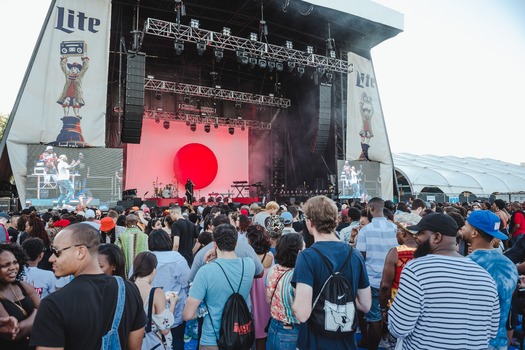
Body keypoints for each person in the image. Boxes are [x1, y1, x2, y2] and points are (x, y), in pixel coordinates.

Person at [388, 213, 500, 349]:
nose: (416, 237)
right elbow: (492, 331)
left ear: (436, 237)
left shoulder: (416, 269)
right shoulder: (485, 276)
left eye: (421, 233)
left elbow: (399, 328)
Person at [29, 223, 147, 349]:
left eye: (57, 252)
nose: (51, 258)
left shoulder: (53, 304)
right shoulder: (128, 290)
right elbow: (135, 346)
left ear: (81, 252)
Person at [291, 195, 371, 350]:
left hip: (314, 342)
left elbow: (302, 313)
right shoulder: (354, 255)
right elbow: (365, 305)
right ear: (336, 220)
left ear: (310, 222)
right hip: (346, 342)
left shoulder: (307, 257)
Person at [183, 224, 256, 350]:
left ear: (215, 245)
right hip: (241, 334)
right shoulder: (249, 265)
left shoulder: (205, 271)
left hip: (213, 339)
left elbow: (188, 315)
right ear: (236, 244)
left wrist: (207, 263)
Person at [463, 210, 518, 350]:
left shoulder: (466, 265)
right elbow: (507, 301)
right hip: (500, 341)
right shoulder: (510, 265)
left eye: (465, 225)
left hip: (474, 342)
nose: (462, 228)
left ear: (474, 233)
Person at [355, 197, 397, 350]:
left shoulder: (365, 230)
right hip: (391, 280)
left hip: (372, 281)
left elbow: (361, 256)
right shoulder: (394, 228)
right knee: (388, 313)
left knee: (374, 319)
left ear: (371, 209)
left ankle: (371, 346)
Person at [379, 213, 420, 349]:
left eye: (397, 231)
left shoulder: (395, 253)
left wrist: (383, 308)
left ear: (403, 233)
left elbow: (385, 285)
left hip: (397, 306)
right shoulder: (427, 252)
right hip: (421, 306)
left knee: (395, 343)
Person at [146, 229, 190, 350]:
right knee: (176, 340)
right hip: (173, 307)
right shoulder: (177, 258)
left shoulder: (144, 257)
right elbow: (186, 282)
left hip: (149, 312)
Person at [130, 251, 177, 349]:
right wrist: (173, 304)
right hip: (151, 344)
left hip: (131, 343)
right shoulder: (156, 293)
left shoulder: (127, 287)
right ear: (153, 270)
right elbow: (165, 329)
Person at [266, 233, 304, 350]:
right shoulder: (297, 276)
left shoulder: (273, 269)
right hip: (291, 331)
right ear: (298, 252)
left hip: (274, 326)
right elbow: (302, 310)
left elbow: (268, 299)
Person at [0, 243, 40, 350]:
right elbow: (14, 333)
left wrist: (25, 325)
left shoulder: (22, 286)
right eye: (5, 265)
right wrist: (36, 313)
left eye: (15, 262)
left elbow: (45, 313)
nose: (13, 268)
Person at [246, 225, 273, 350]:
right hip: (264, 295)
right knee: (263, 332)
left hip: (251, 295)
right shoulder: (270, 256)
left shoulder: (247, 258)